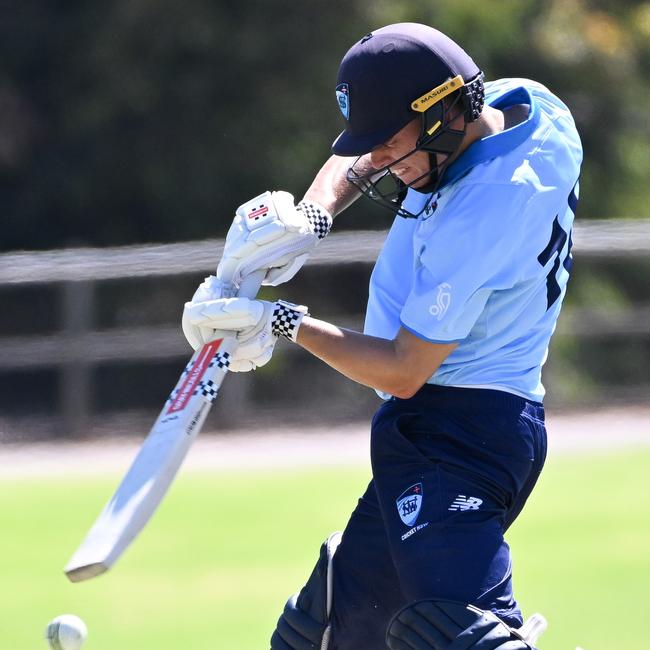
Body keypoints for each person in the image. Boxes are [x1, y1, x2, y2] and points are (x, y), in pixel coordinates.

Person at [182, 22, 582, 650]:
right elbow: (359, 150)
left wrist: (282, 321)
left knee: (464, 640)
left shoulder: (486, 211)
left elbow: (403, 368)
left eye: (390, 144)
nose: (379, 164)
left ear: (443, 113)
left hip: (465, 436)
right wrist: (312, 217)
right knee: (326, 634)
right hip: (435, 431)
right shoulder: (527, 107)